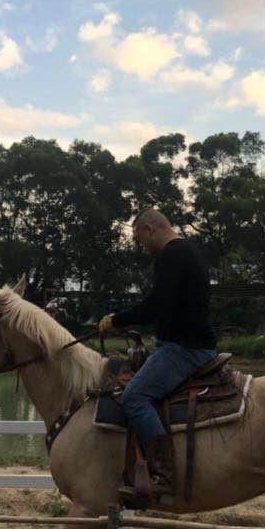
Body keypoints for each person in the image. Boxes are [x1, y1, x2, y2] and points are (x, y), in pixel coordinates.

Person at [99, 209, 217, 497]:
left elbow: (156, 305)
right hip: (187, 344)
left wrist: (117, 319)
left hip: (184, 349)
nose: (143, 247)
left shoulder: (171, 255)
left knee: (134, 397)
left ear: (150, 229)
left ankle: (164, 475)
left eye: (140, 239)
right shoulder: (188, 251)